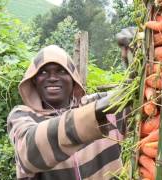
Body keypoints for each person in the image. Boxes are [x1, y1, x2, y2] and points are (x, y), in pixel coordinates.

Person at [7, 45, 130, 180]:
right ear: (34, 80)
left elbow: (141, 101)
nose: (52, 77)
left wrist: (133, 59)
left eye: (61, 71)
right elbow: (28, 152)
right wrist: (94, 113)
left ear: (73, 79)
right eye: (43, 72)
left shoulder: (97, 102)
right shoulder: (23, 115)